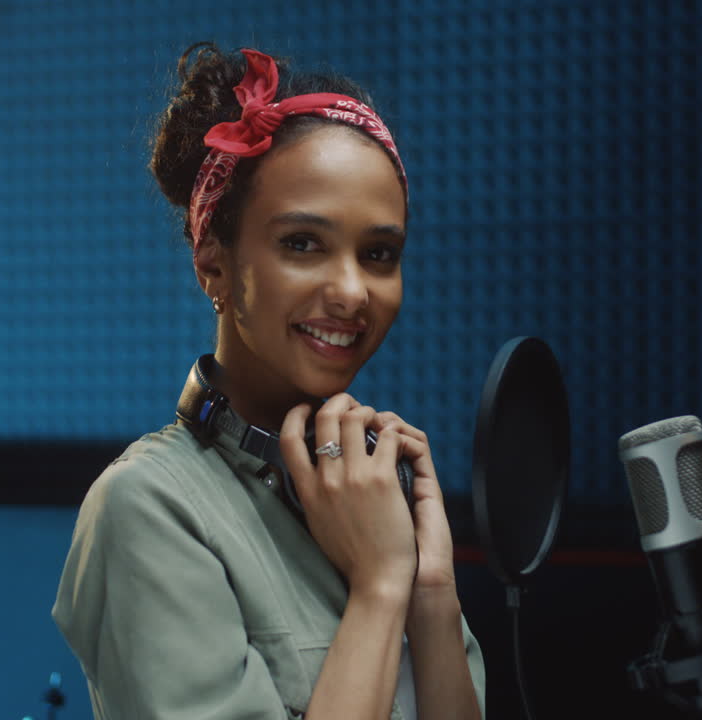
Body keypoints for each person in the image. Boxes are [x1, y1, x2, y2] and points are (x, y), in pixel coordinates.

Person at [52, 43, 485, 720]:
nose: (351, 291)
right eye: (303, 243)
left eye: (378, 254)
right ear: (213, 263)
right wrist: (377, 586)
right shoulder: (147, 509)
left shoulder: (377, 494)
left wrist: (430, 590)